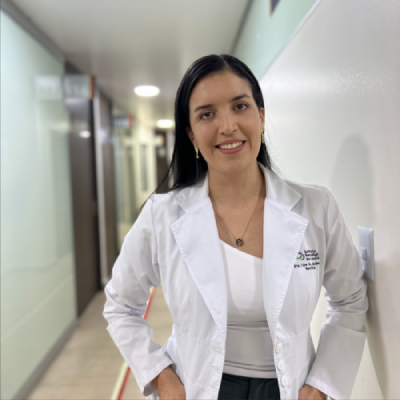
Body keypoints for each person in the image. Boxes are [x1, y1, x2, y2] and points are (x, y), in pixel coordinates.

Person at [103, 54, 368, 400]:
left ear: (261, 117)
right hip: (197, 386)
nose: (227, 126)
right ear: (191, 134)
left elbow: (350, 301)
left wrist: (321, 385)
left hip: (288, 388)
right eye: (207, 114)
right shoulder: (162, 215)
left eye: (240, 106)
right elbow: (121, 305)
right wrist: (162, 378)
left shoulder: (316, 208)